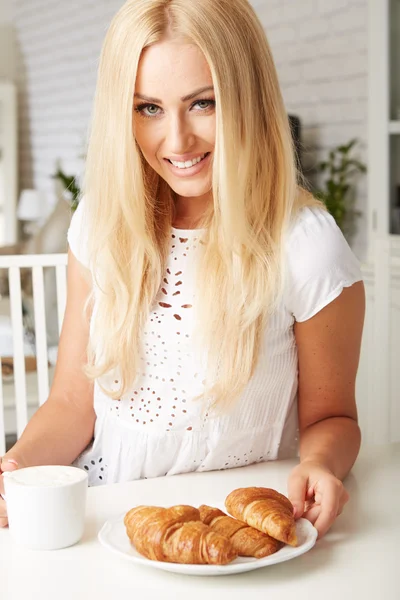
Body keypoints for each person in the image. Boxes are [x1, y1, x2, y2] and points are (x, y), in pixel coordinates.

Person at [0, 0, 365, 539]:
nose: (176, 141)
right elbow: (74, 403)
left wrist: (322, 465)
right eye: (148, 108)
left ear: (250, 99)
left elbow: (333, 419)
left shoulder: (305, 246)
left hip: (231, 531)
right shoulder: (99, 226)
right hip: (110, 520)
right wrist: (18, 467)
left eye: (203, 103)